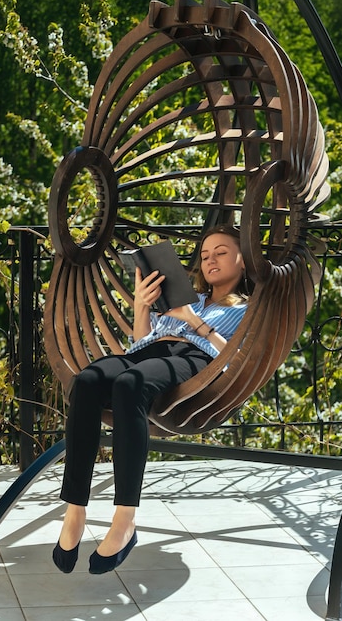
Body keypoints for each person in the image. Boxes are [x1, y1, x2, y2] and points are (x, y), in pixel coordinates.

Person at [52, 224, 251, 575]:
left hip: (195, 359)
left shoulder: (251, 308)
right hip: (150, 351)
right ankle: (75, 510)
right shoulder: (188, 297)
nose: (210, 260)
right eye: (205, 255)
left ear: (243, 260)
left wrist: (195, 321)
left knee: (130, 386)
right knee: (87, 381)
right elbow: (143, 339)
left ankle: (125, 520)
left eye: (220, 252)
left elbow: (235, 361)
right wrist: (143, 306)